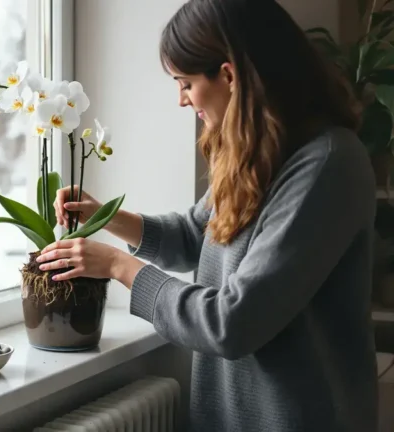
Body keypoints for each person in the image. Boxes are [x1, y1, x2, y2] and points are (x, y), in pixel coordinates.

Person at [36, 0, 379, 430]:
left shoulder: (327, 166)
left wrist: (120, 268)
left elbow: (233, 322)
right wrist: (107, 217)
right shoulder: (257, 153)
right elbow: (198, 235)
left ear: (229, 76)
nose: (181, 100)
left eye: (185, 82)